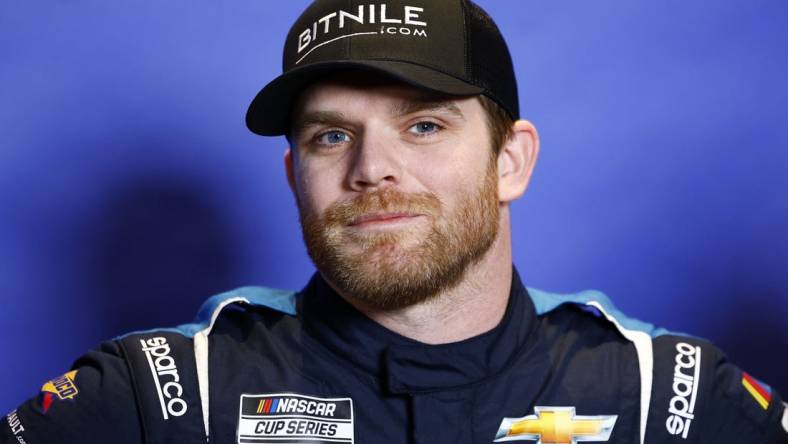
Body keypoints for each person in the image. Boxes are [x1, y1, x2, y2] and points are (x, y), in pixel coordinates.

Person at [3, 0, 786, 443]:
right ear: (293, 177)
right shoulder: (163, 398)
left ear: (510, 162)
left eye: (423, 127)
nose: (371, 168)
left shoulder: (665, 398)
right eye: (331, 136)